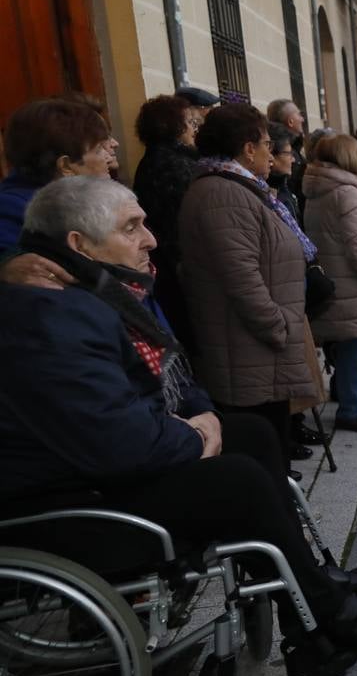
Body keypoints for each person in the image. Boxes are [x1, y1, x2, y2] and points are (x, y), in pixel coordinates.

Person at [0, 176, 357, 669]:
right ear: (78, 245)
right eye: (132, 228)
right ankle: (325, 614)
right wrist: (194, 436)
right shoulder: (51, 314)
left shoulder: (101, 289)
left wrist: (203, 415)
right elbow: (115, 439)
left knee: (251, 434)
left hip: (102, 461)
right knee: (234, 482)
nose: (150, 238)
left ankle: (309, 596)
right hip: (69, 499)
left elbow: (171, 370)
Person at [177, 104, 318, 479]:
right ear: (246, 148)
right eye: (267, 144)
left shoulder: (237, 188)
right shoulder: (222, 194)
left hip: (256, 350)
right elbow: (241, 280)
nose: (272, 154)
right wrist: (280, 327)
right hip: (251, 350)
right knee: (265, 457)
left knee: (272, 452)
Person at [303, 135, 357, 434]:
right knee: (354, 349)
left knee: (345, 348)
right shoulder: (346, 191)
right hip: (352, 284)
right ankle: (353, 411)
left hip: (333, 279)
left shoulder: (318, 187)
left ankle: (355, 403)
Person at [0, 97, 119, 250]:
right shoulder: (14, 212)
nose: (108, 157)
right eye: (98, 149)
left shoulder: (83, 196)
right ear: (66, 165)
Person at [131, 94, 198, 351]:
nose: (194, 129)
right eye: (189, 122)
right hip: (177, 267)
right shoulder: (175, 165)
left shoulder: (154, 160)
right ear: (172, 126)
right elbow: (181, 224)